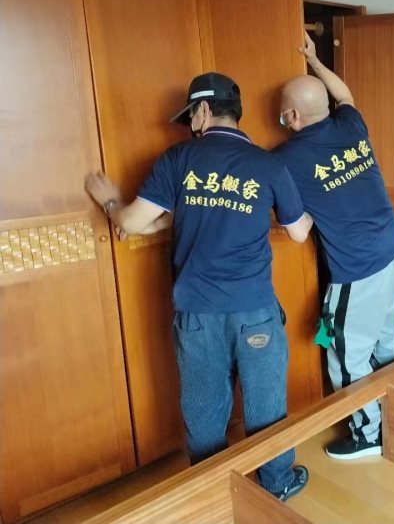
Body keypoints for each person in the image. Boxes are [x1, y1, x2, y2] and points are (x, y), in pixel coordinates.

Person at [84, 72, 311, 500]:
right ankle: (276, 484)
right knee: (266, 404)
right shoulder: (268, 166)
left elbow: (131, 221)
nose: (190, 123)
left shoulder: (178, 160)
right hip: (254, 309)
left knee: (204, 410)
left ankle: (214, 495)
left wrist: (111, 201)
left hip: (197, 313)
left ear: (204, 110)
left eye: (191, 114)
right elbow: (299, 232)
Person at [273, 33, 394, 460]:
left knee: (347, 355)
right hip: (392, 251)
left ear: (292, 115)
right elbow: (345, 94)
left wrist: (312, 204)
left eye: (281, 113)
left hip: (358, 269)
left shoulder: (284, 161)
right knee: (385, 339)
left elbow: (298, 233)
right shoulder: (349, 123)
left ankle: (369, 435)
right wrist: (314, 61)